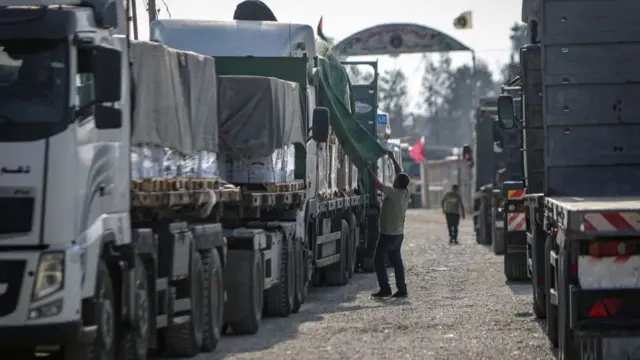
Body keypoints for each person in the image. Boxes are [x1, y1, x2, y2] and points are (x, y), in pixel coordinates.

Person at [367, 151, 411, 299]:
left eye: (396, 180)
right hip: (398, 234)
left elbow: (378, 184)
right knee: (396, 262)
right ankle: (402, 288)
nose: (394, 180)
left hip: (388, 234)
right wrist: (392, 159)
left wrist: (368, 170)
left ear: (398, 183)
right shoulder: (405, 193)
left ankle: (385, 289)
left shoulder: (394, 193)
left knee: (378, 261)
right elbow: (401, 174)